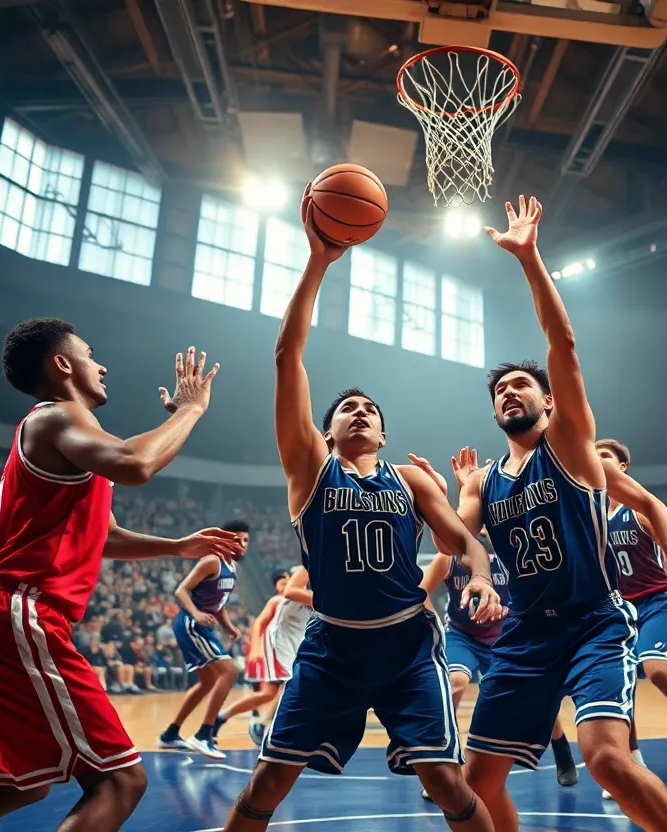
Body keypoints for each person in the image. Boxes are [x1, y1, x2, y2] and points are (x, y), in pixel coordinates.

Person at [222, 190, 502, 832]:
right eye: (347, 408)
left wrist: (481, 575)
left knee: (446, 782)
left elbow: (465, 543)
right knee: (268, 781)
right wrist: (319, 260)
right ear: (324, 434)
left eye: (370, 408)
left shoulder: (409, 478)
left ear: (382, 430)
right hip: (332, 647)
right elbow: (286, 356)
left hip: (406, 642)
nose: (361, 411)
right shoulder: (310, 471)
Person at [0, 318, 239, 832]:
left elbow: (105, 536)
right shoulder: (55, 418)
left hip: (5, 614)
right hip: (21, 608)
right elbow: (135, 463)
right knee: (121, 781)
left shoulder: (70, 437)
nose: (102, 366)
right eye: (89, 354)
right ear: (62, 364)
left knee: (23, 781)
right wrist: (192, 410)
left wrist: (176, 546)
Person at [450, 196, 667, 832]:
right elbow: (461, 540)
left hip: (593, 621)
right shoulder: (483, 479)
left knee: (606, 761)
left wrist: (529, 258)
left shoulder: (569, 446)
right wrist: (477, 570)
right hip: (523, 634)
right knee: (476, 783)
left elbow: (561, 340)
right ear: (492, 413)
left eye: (521, 384)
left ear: (547, 400)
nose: (510, 391)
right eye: (499, 390)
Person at [417, 513, 580, 792]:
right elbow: (421, 593)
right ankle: (447, 760)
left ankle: (561, 749)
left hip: (504, 635)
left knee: (533, 694)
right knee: (455, 681)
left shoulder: (512, 553)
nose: (480, 529)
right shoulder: (449, 557)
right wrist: (435, 626)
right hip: (462, 634)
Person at [594, 438, 667, 800]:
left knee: (656, 670)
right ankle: (632, 761)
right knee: (620, 688)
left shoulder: (638, 509)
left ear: (622, 467)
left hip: (655, 600)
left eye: (605, 457)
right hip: (617, 608)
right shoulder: (591, 514)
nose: (596, 461)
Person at [158, 519, 250, 758]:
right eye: (237, 539)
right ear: (225, 540)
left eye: (246, 540)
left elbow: (218, 605)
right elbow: (181, 590)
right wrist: (197, 614)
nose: (242, 544)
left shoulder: (233, 568)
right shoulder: (211, 561)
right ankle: (203, 735)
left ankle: (170, 734)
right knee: (229, 671)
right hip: (190, 622)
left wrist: (229, 627)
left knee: (208, 682)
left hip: (202, 625)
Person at [215, 573, 289, 742]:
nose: (286, 586)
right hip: (276, 652)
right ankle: (262, 723)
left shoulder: (299, 602)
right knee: (287, 687)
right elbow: (259, 624)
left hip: (288, 652)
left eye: (288, 582)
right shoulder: (277, 602)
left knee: (268, 695)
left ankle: (222, 717)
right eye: (282, 583)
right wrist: (256, 648)